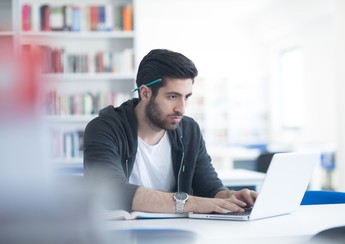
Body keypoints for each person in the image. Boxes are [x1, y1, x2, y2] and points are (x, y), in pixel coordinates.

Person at [83, 49, 257, 214]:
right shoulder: (104, 129)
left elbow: (210, 188)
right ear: (145, 93)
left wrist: (230, 198)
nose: (181, 109)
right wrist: (193, 203)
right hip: (120, 235)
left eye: (186, 97)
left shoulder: (189, 130)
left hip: (179, 234)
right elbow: (111, 192)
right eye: (172, 97)